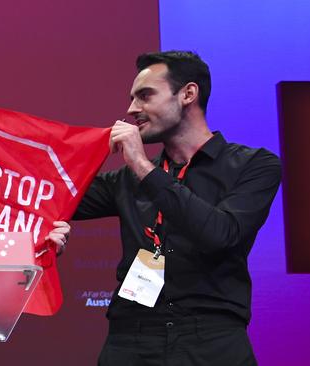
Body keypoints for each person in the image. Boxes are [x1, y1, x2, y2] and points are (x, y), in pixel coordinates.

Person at [72, 51, 281, 365]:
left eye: (145, 96)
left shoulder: (254, 165)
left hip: (212, 342)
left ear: (188, 94)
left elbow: (220, 234)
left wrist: (143, 167)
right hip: (131, 340)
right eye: (132, 98)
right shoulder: (124, 180)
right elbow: (47, 195)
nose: (131, 110)